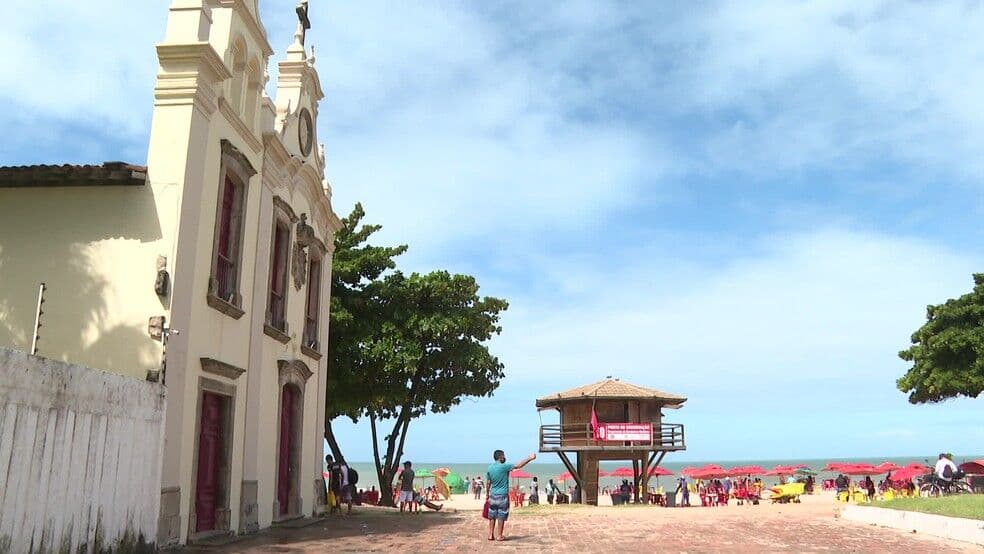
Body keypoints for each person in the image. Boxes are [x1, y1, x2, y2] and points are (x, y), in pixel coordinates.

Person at [485, 449, 536, 542]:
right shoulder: (505, 466)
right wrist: (529, 458)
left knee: (492, 515)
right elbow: (518, 465)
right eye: (504, 455)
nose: (505, 457)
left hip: (493, 495)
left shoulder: (490, 468)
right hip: (502, 495)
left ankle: (490, 534)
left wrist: (487, 494)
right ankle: (499, 535)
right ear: (500, 457)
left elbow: (488, 483)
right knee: (501, 515)